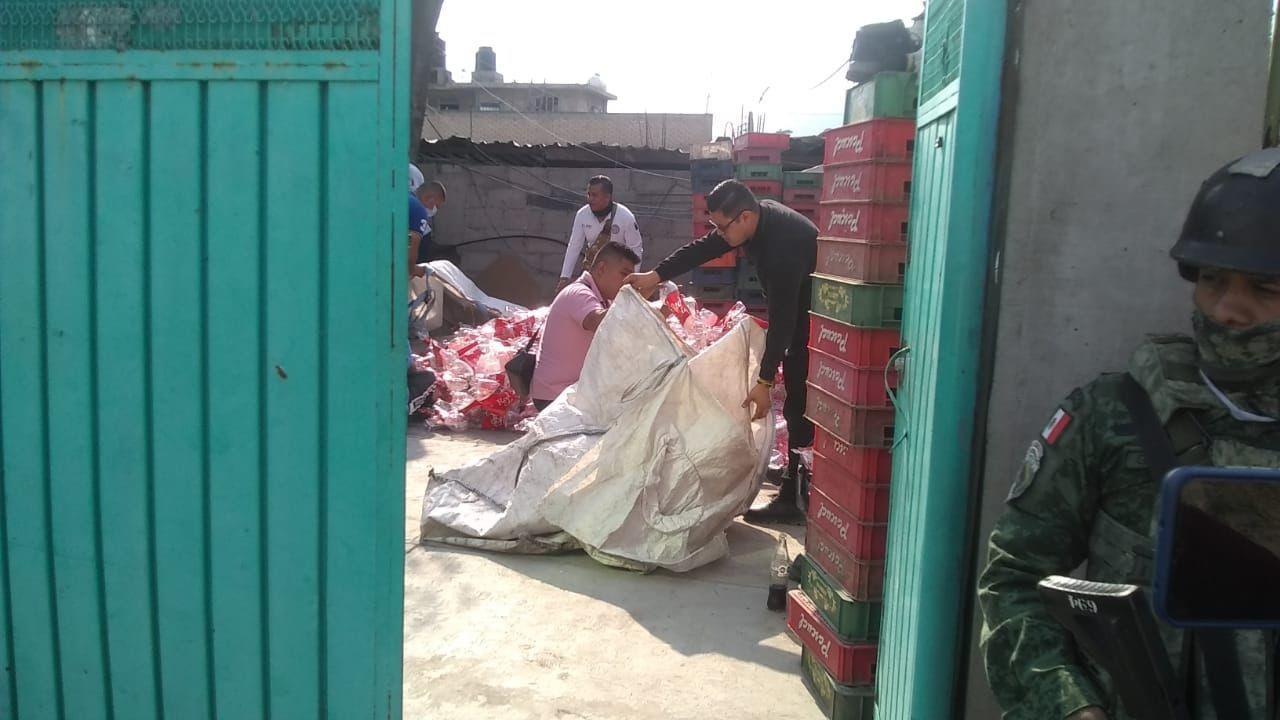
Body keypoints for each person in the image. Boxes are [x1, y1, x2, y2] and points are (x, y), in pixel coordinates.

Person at [977, 150, 1280, 720]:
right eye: (1212, 281)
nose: (1228, 309)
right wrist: (1071, 706)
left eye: (1264, 289)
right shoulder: (1116, 417)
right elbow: (1015, 581)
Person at [626, 179, 818, 523]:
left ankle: (796, 497)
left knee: (799, 404)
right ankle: (796, 482)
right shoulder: (755, 222)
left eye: (722, 226)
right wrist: (656, 275)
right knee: (795, 404)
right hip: (798, 313)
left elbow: (784, 318)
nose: (719, 233)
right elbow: (703, 248)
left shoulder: (781, 249)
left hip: (816, 323)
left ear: (744, 217)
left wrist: (763, 380)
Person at [531, 241, 640, 411]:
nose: (627, 283)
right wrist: (631, 298)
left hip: (570, 393)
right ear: (601, 269)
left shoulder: (602, 300)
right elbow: (597, 321)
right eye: (624, 274)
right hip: (557, 396)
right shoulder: (579, 293)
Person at [557, 175, 643, 293]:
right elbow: (574, 246)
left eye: (594, 195)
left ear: (607, 197)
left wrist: (631, 281)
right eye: (589, 194)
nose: (590, 199)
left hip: (617, 276)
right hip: (592, 272)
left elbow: (636, 249)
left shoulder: (625, 217)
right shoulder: (582, 215)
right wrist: (564, 277)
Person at [408, 164, 448, 275]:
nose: (434, 210)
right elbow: (411, 241)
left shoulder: (402, 198)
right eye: (436, 205)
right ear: (430, 199)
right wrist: (413, 269)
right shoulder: (418, 210)